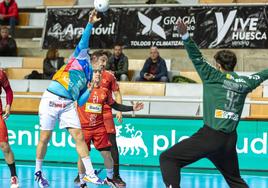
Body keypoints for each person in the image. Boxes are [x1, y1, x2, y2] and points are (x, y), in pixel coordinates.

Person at [159, 20, 268, 188]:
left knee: (168, 158)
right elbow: (261, 75)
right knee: (235, 180)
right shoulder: (246, 82)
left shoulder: (212, 76)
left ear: (218, 65)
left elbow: (196, 57)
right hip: (229, 140)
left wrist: (185, 35)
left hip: (210, 136)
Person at [34, 10, 104, 188]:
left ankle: (88, 174)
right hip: (51, 98)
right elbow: (85, 39)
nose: (103, 65)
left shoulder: (89, 77)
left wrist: (90, 89)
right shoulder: (81, 56)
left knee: (79, 136)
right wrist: (90, 23)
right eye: (102, 61)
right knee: (45, 138)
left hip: (67, 104)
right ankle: (38, 171)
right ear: (93, 58)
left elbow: (80, 102)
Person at [76, 63, 144, 188]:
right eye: (95, 71)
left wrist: (132, 108)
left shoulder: (105, 92)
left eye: (99, 72)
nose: (97, 74)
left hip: (98, 127)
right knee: (83, 155)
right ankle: (82, 182)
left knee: (108, 154)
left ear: (102, 76)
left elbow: (116, 105)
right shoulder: (82, 88)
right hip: (84, 128)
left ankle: (110, 178)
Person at [74, 50, 126, 187]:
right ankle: (81, 176)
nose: (104, 63)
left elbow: (117, 93)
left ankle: (116, 176)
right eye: (102, 60)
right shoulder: (85, 75)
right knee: (83, 148)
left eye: (105, 61)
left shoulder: (109, 76)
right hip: (87, 116)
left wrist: (119, 111)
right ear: (94, 61)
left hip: (106, 114)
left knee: (112, 147)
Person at [0, 69, 19, 188]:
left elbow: (8, 91)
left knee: (4, 146)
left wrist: (8, 105)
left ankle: (14, 177)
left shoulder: (1, 74)